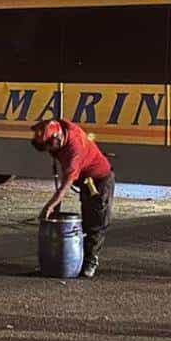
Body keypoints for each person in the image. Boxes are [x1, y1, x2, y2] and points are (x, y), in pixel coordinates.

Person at [31, 119, 115, 278]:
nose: (49, 151)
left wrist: (50, 206)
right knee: (86, 217)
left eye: (49, 146)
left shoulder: (74, 151)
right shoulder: (61, 128)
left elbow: (65, 185)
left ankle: (90, 261)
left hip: (100, 180)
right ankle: (78, 259)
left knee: (96, 220)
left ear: (58, 138)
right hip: (86, 180)